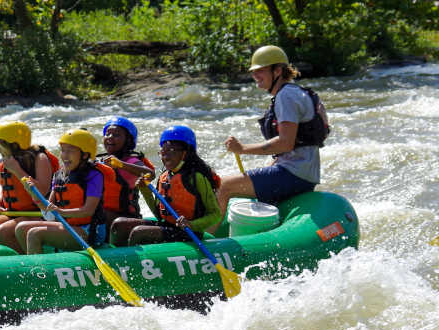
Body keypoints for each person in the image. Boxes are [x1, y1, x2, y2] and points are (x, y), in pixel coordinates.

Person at [209, 45, 329, 233]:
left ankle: (207, 243)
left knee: (223, 186)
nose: (255, 75)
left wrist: (242, 149)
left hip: (294, 174)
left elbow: (285, 142)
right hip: (302, 172)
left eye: (261, 71)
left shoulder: (286, 96)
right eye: (254, 71)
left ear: (278, 70)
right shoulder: (295, 92)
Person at [109, 125, 222, 246]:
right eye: (163, 152)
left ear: (184, 153)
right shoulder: (164, 177)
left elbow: (215, 215)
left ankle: (131, 262)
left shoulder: (197, 178)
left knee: (139, 233)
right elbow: (158, 214)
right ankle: (115, 257)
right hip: (168, 226)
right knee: (119, 224)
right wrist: (144, 189)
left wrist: (191, 225)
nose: (165, 156)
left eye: (170, 151)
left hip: (189, 232)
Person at [15, 128, 108, 254]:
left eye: (71, 151)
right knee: (21, 228)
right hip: (68, 226)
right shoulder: (59, 175)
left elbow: (88, 211)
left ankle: (37, 272)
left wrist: (61, 211)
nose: (65, 155)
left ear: (85, 155)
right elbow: (48, 213)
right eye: (63, 150)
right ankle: (34, 263)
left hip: (89, 231)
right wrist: (32, 191)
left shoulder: (94, 176)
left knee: (34, 233)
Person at [0, 121, 59, 253]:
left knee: (3, 232)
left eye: (0, 146)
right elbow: (9, 193)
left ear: (14, 145)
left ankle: (25, 266)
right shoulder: (7, 162)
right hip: (17, 213)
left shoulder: (40, 158)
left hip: (43, 213)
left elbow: (41, 192)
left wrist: (17, 170)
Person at [97, 116, 155, 233]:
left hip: (125, 219)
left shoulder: (132, 161)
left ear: (128, 140)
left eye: (116, 135)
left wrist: (121, 164)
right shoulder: (98, 161)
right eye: (108, 134)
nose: (110, 137)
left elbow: (150, 174)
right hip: (102, 216)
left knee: (100, 213)